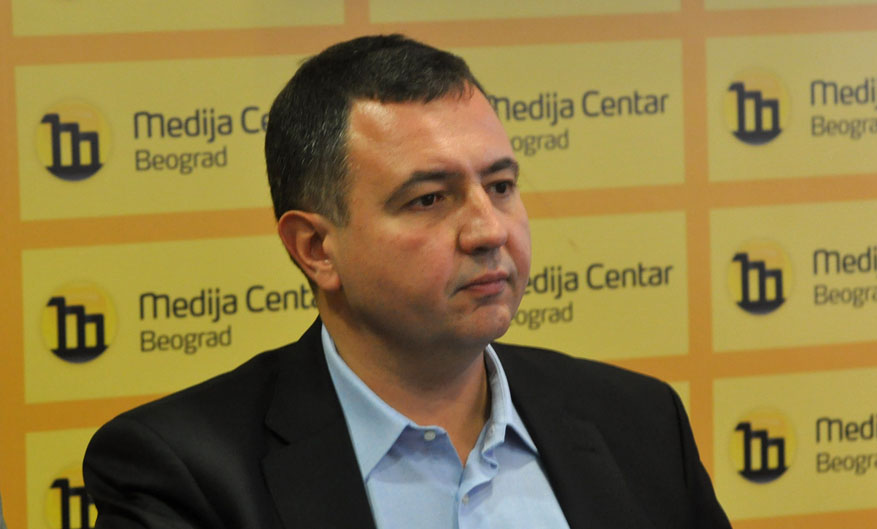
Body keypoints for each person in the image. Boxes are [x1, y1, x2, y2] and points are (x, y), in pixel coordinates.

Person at [84, 35, 731, 528]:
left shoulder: (639, 422)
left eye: (500, 185)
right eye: (428, 199)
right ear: (315, 248)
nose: (488, 230)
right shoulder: (183, 474)